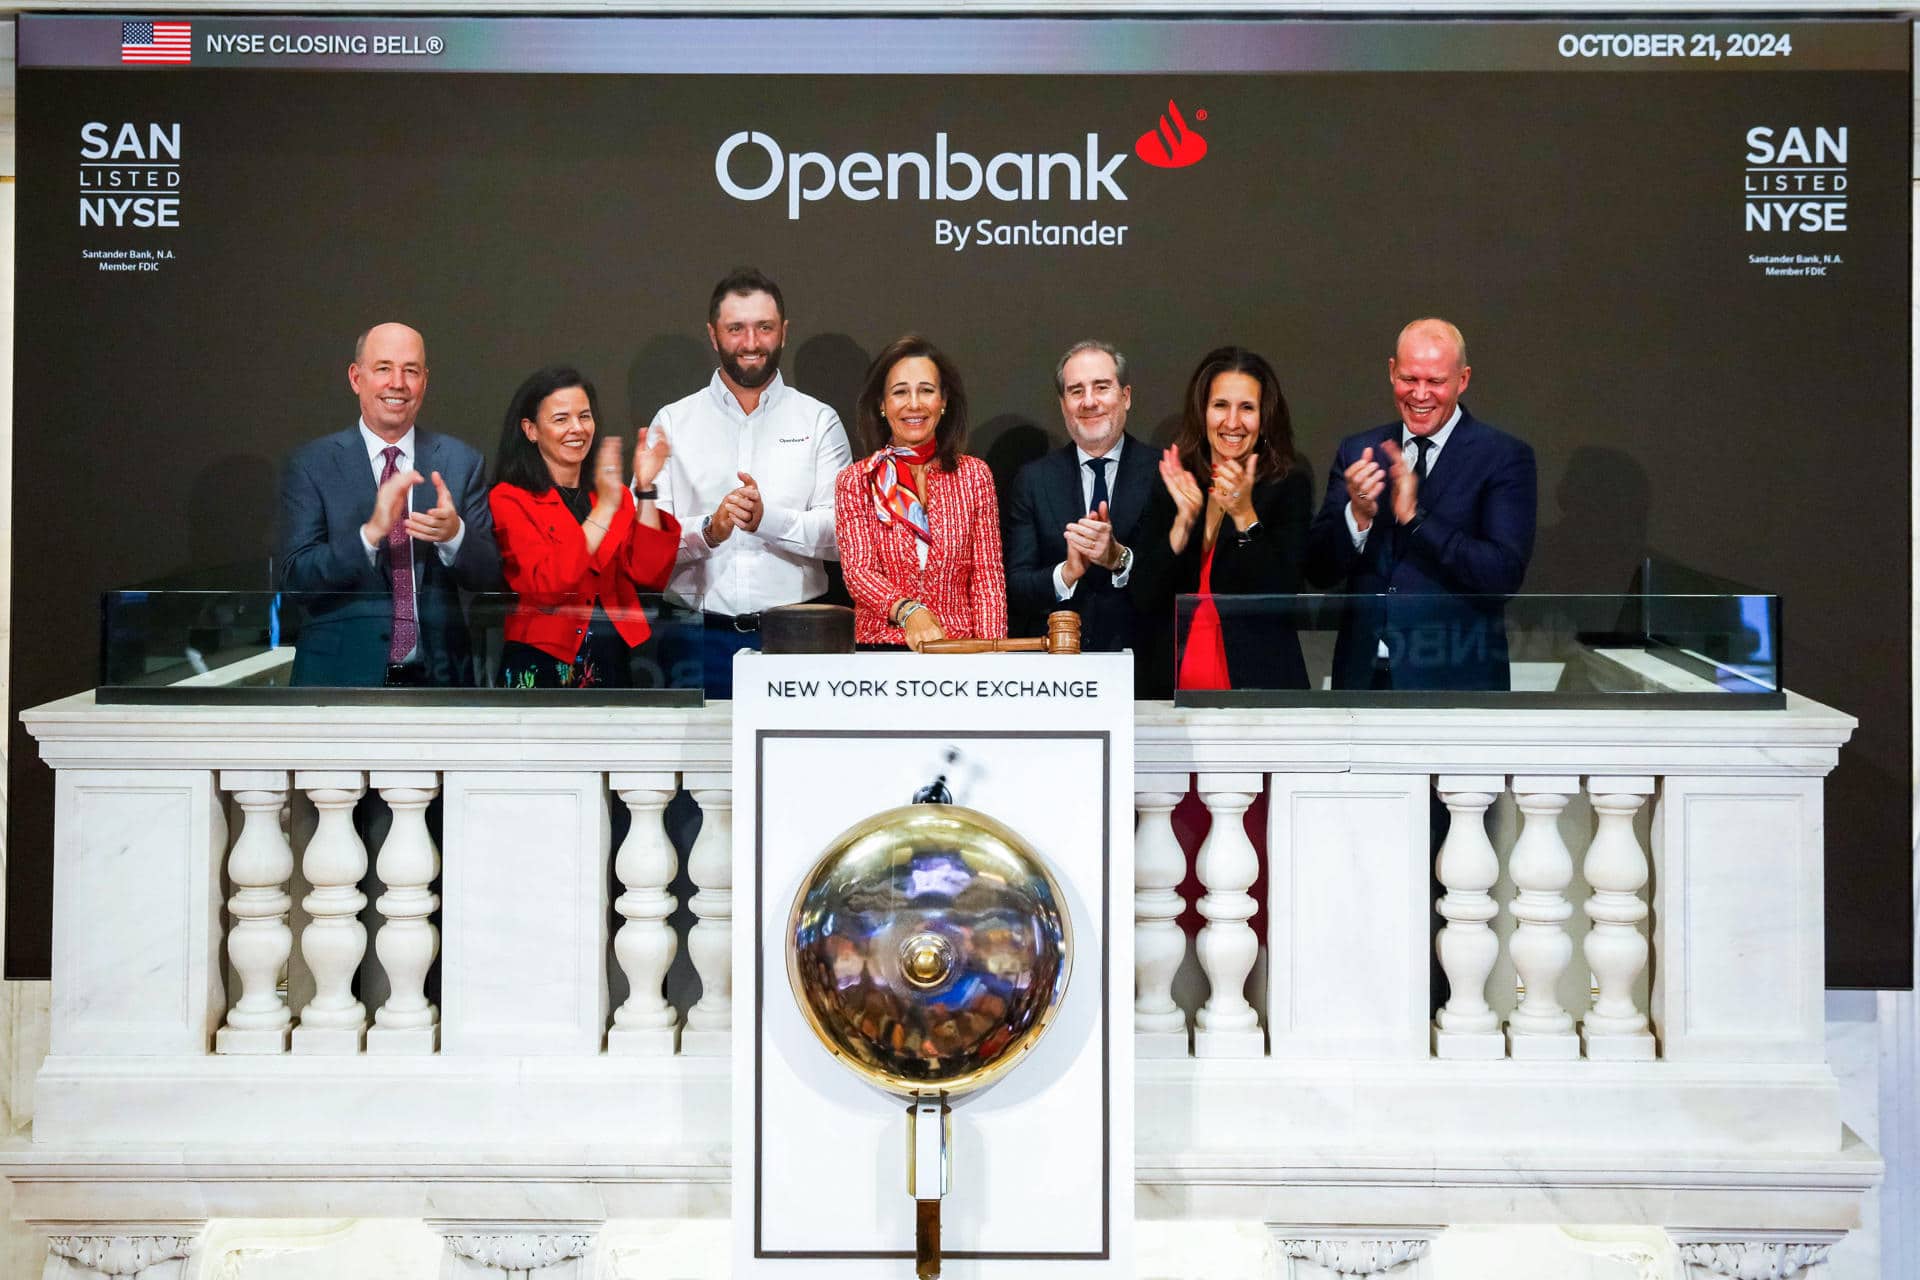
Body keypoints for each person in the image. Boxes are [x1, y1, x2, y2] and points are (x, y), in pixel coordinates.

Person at [650, 267, 852, 697]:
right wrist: (710, 529)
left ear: (784, 332)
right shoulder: (672, 422)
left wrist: (766, 520)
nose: (751, 343)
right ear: (712, 333)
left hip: (798, 637)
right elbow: (647, 542)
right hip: (693, 639)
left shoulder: (818, 420)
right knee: (697, 765)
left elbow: (841, 536)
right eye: (736, 328)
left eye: (764, 327)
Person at [1305, 318, 1536, 691]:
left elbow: (1502, 574)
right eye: (1409, 379)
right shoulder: (1359, 451)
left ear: (1463, 380)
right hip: (1363, 681)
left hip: (1458, 680)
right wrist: (1357, 518)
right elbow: (1318, 569)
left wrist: (1416, 519)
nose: (1420, 394)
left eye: (1436, 382)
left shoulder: (1502, 457)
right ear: (1391, 371)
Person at [278, 322, 500, 687]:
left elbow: (490, 576)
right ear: (355, 377)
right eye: (383, 368)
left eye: (410, 370)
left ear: (425, 381)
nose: (398, 382)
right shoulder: (311, 464)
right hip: (339, 683)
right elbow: (297, 580)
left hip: (440, 683)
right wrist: (368, 536)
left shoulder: (461, 462)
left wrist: (453, 535)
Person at [1130, 346, 1311, 693]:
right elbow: (1144, 596)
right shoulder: (1176, 482)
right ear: (1202, 412)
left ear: (1265, 417)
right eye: (1220, 406)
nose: (1232, 422)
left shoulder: (1287, 485)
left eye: (1247, 408)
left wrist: (1245, 515)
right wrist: (1181, 527)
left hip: (1257, 689)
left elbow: (1283, 598)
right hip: (1169, 688)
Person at [488, 366, 681, 688]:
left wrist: (645, 489)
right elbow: (547, 588)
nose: (577, 429)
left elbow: (648, 574)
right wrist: (604, 511)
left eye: (585, 416)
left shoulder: (611, 494)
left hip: (611, 656)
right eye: (561, 419)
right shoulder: (510, 498)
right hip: (541, 661)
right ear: (531, 429)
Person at [1003, 340, 1159, 695]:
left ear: (1126, 396)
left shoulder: (1163, 474)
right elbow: (1015, 586)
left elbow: (1177, 583)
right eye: (1076, 391)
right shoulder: (1034, 480)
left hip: (1145, 677)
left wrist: (1119, 559)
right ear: (1063, 405)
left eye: (1102, 387)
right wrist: (1067, 573)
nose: (1089, 401)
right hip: (1055, 682)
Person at [834, 335, 1007, 650]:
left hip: (959, 652)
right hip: (881, 650)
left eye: (926, 391)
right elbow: (859, 573)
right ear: (882, 405)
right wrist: (909, 611)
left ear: (943, 401)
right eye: (900, 392)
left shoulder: (975, 476)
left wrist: (991, 654)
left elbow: (987, 581)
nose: (914, 404)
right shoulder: (856, 480)